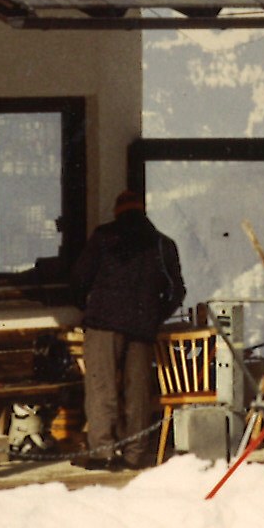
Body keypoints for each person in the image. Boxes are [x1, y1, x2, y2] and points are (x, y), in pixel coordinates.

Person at [70, 189, 185, 470]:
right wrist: (156, 316)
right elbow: (176, 290)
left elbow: (79, 279)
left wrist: (86, 309)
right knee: (138, 393)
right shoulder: (162, 243)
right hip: (142, 326)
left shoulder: (103, 237)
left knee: (102, 388)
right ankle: (136, 453)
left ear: (117, 211)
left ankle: (104, 452)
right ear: (142, 210)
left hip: (103, 324)